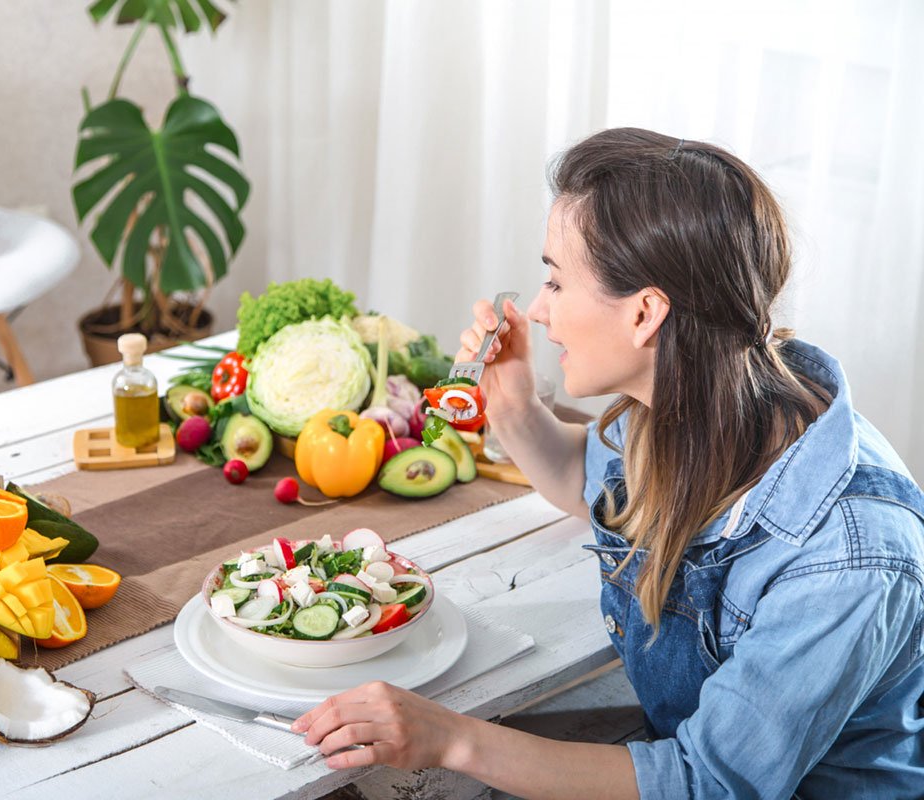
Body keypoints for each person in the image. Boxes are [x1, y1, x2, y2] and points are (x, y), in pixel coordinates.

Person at [291, 128, 924, 799]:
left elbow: (701, 784)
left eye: (556, 282)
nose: (538, 309)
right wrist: (513, 408)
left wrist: (449, 736)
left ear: (646, 313)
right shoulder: (701, 399)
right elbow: (587, 485)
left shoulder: (850, 561)